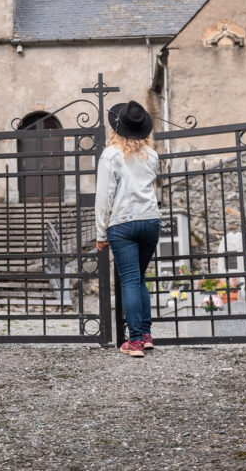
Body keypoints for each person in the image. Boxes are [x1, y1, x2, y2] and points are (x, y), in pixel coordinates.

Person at [95, 101, 162, 358]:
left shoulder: (111, 155)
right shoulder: (152, 155)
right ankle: (145, 335)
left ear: (117, 127)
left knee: (130, 280)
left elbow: (104, 197)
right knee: (140, 278)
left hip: (123, 223)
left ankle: (134, 342)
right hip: (150, 221)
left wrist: (101, 233)